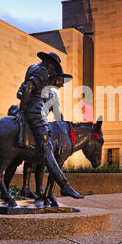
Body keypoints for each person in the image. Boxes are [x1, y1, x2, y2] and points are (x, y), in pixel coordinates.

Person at [17, 52, 83, 199]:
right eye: (59, 78)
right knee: (45, 150)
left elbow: (58, 116)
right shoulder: (42, 73)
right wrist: (24, 109)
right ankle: (60, 186)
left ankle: (38, 190)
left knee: (38, 157)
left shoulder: (33, 71)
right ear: (50, 64)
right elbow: (26, 90)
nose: (60, 83)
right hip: (35, 117)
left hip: (35, 117)